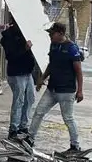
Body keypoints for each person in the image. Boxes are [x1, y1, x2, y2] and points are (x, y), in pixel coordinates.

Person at [24, 22, 84, 153]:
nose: (50, 35)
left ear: (61, 34)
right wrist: (42, 78)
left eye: (52, 33)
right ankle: (30, 138)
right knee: (39, 112)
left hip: (66, 91)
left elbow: (78, 70)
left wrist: (80, 91)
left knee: (68, 118)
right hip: (52, 89)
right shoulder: (54, 45)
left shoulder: (71, 48)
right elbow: (51, 65)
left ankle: (75, 145)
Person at [1, 17, 37, 140]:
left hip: (27, 72)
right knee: (19, 100)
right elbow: (11, 56)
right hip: (16, 73)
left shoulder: (25, 34)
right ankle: (13, 129)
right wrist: (25, 49)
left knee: (30, 98)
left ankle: (23, 125)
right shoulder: (9, 36)